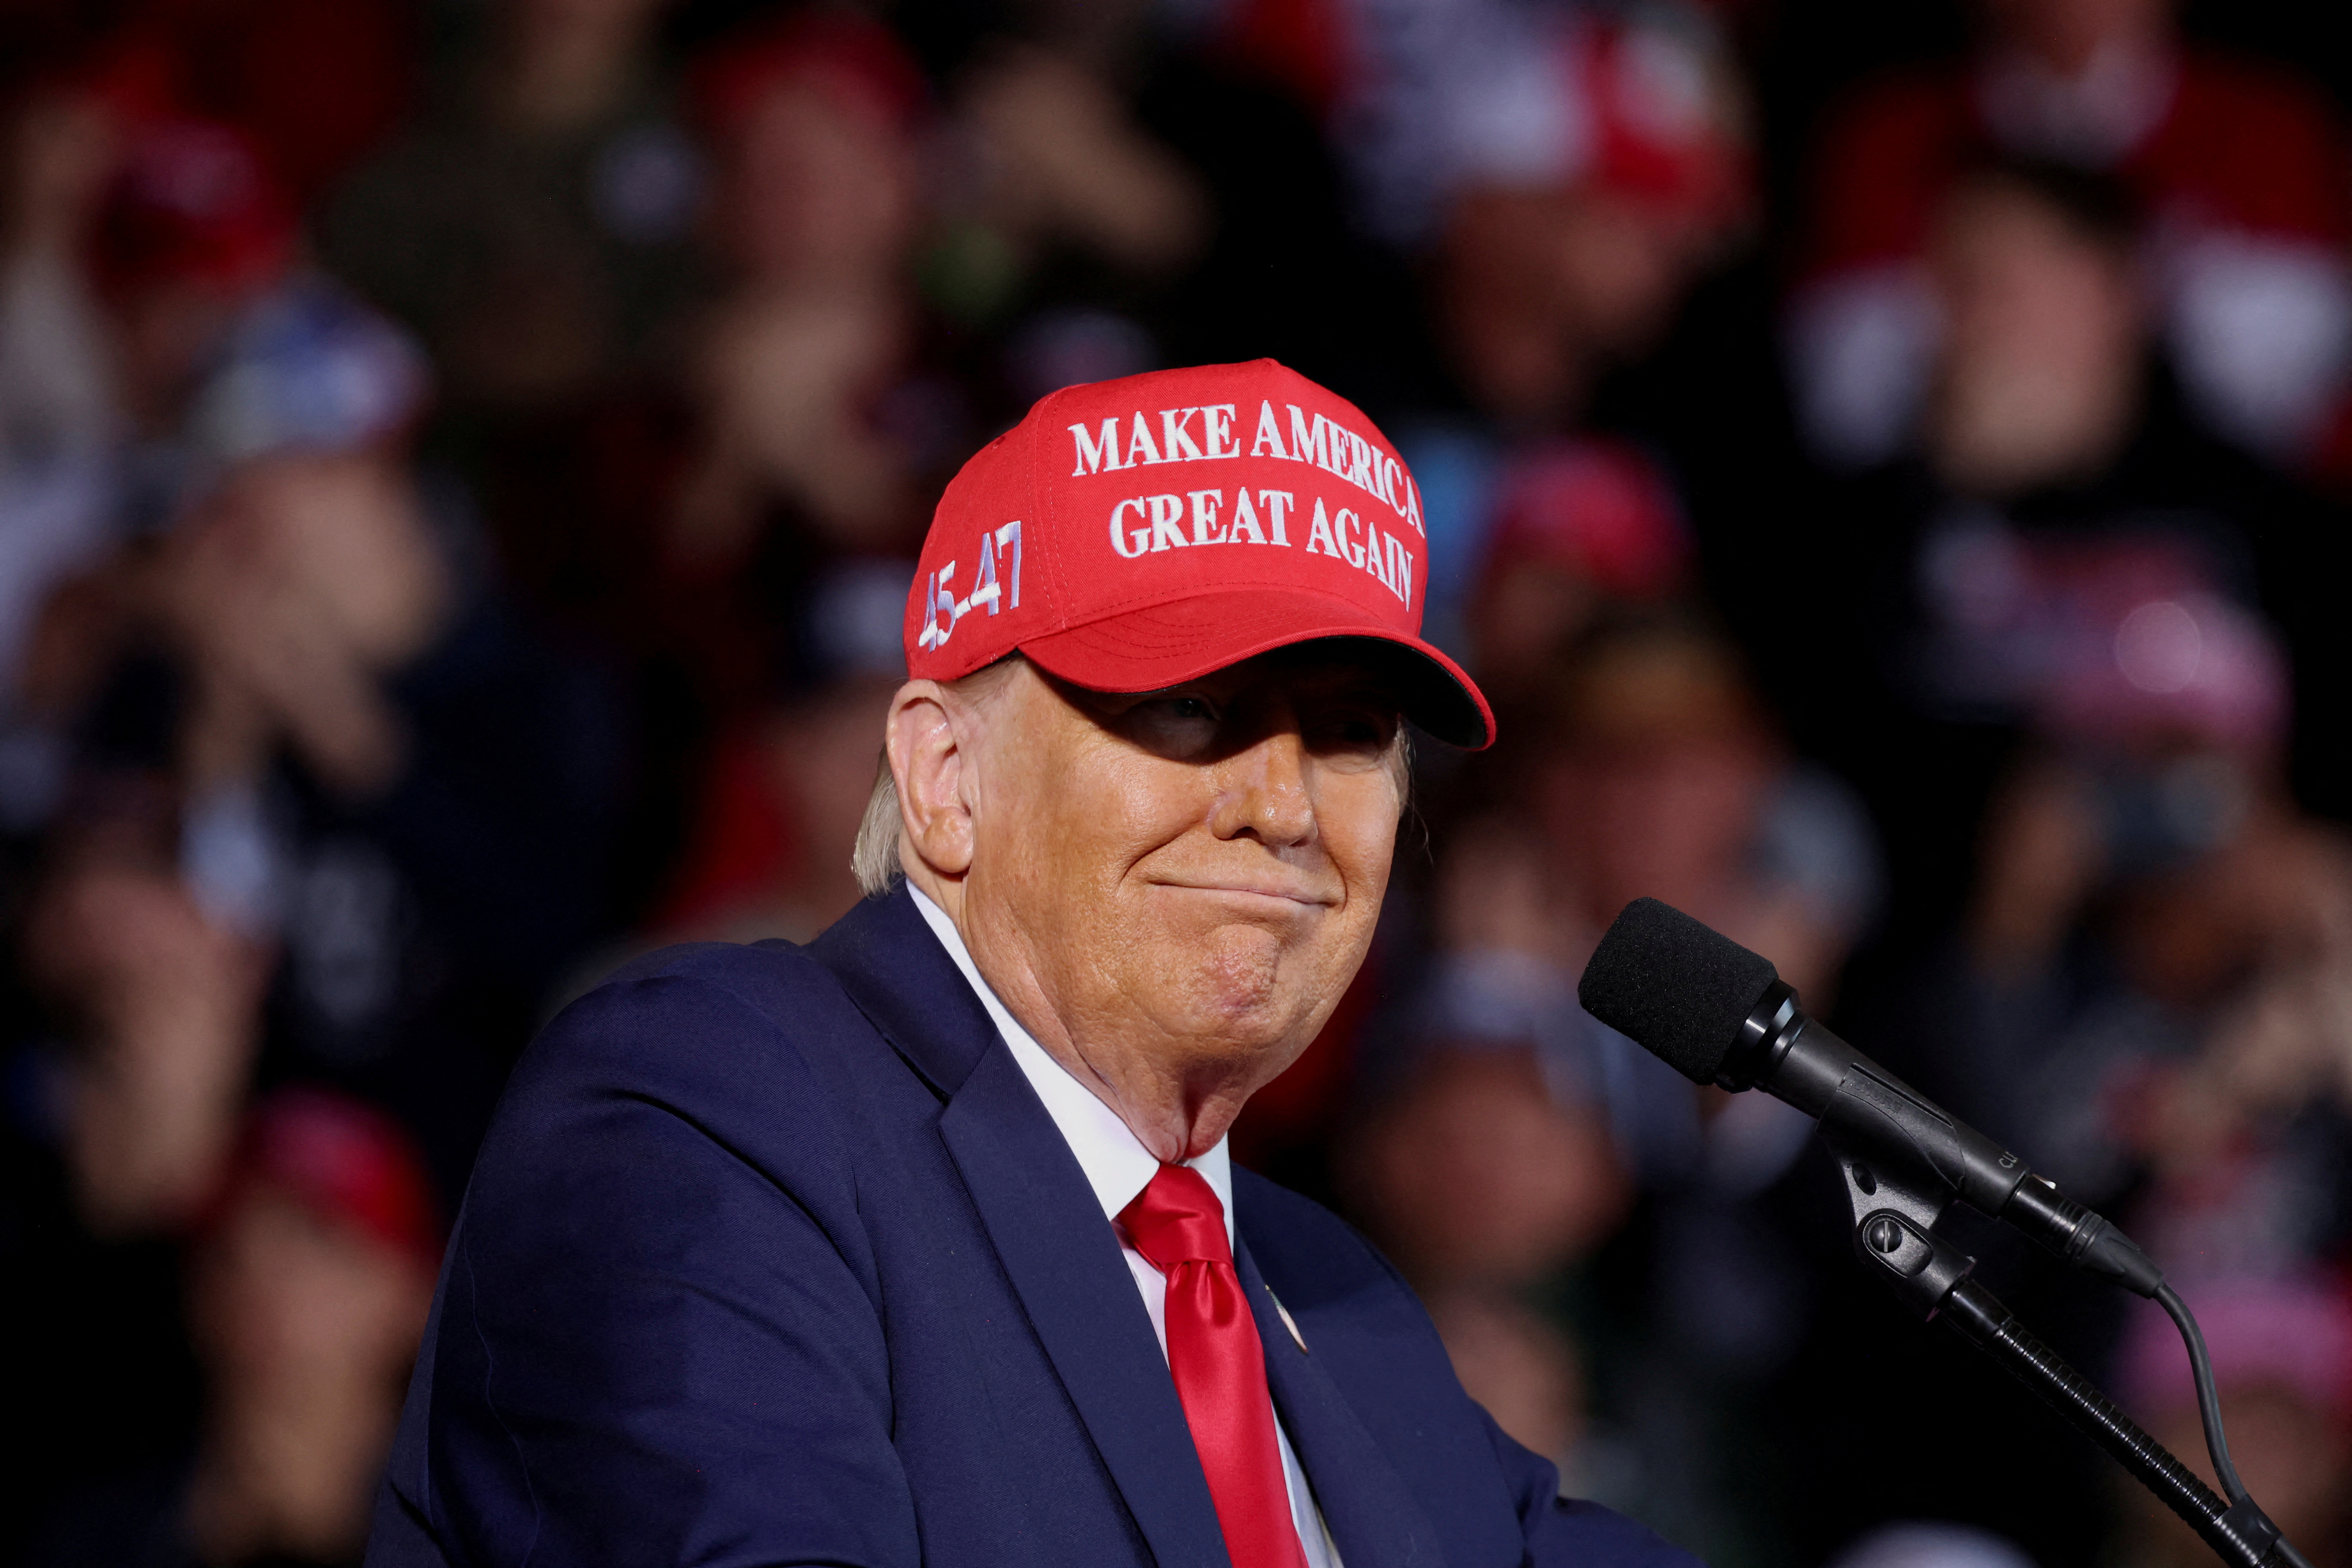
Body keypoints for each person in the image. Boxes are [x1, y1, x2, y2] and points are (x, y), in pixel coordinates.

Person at [365, 360, 1698, 1568]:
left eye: (1349, 731)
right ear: (947, 777)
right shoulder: (710, 1107)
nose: (1284, 807)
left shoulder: (1334, 1300)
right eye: (1191, 707)